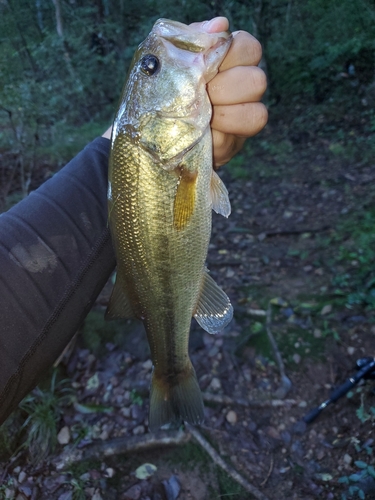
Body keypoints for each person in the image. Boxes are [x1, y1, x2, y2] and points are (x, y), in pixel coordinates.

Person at [0, 17, 267, 426]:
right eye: (152, 68)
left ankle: (171, 374)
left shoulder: (152, 145)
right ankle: (172, 371)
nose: (158, 55)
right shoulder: (156, 148)